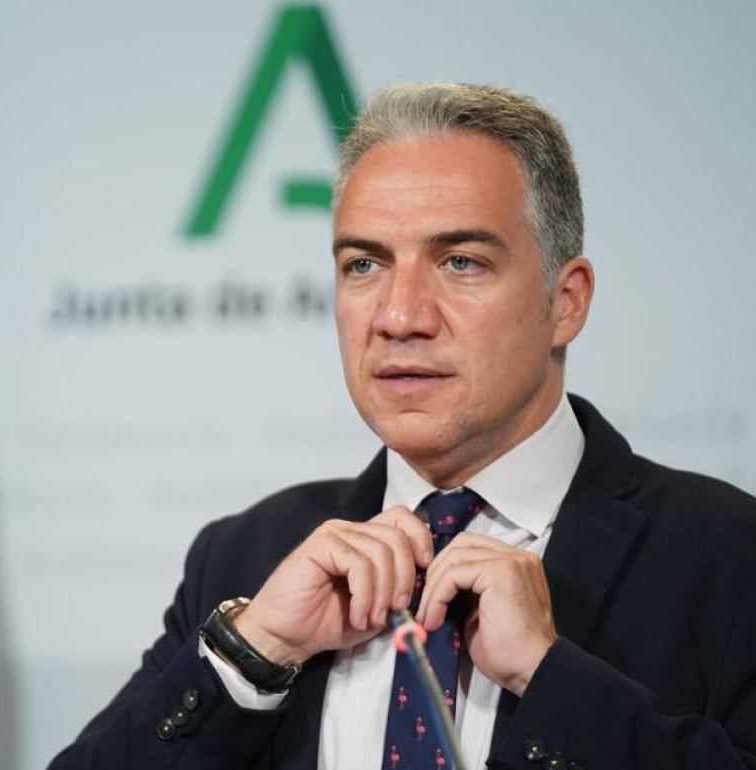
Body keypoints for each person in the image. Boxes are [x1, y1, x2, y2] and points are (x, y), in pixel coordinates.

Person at [47, 83, 756, 770]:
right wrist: (252, 658)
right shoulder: (244, 557)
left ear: (565, 302)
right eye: (364, 264)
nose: (399, 316)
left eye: (460, 262)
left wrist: (551, 679)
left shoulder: (728, 557)